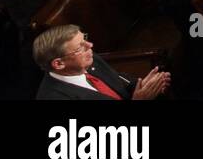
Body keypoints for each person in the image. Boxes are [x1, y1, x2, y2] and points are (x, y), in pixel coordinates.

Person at [34, 24, 171, 101]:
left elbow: (120, 82)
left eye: (85, 39)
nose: (90, 46)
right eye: (80, 47)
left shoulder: (89, 61)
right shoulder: (54, 97)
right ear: (59, 64)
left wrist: (146, 85)